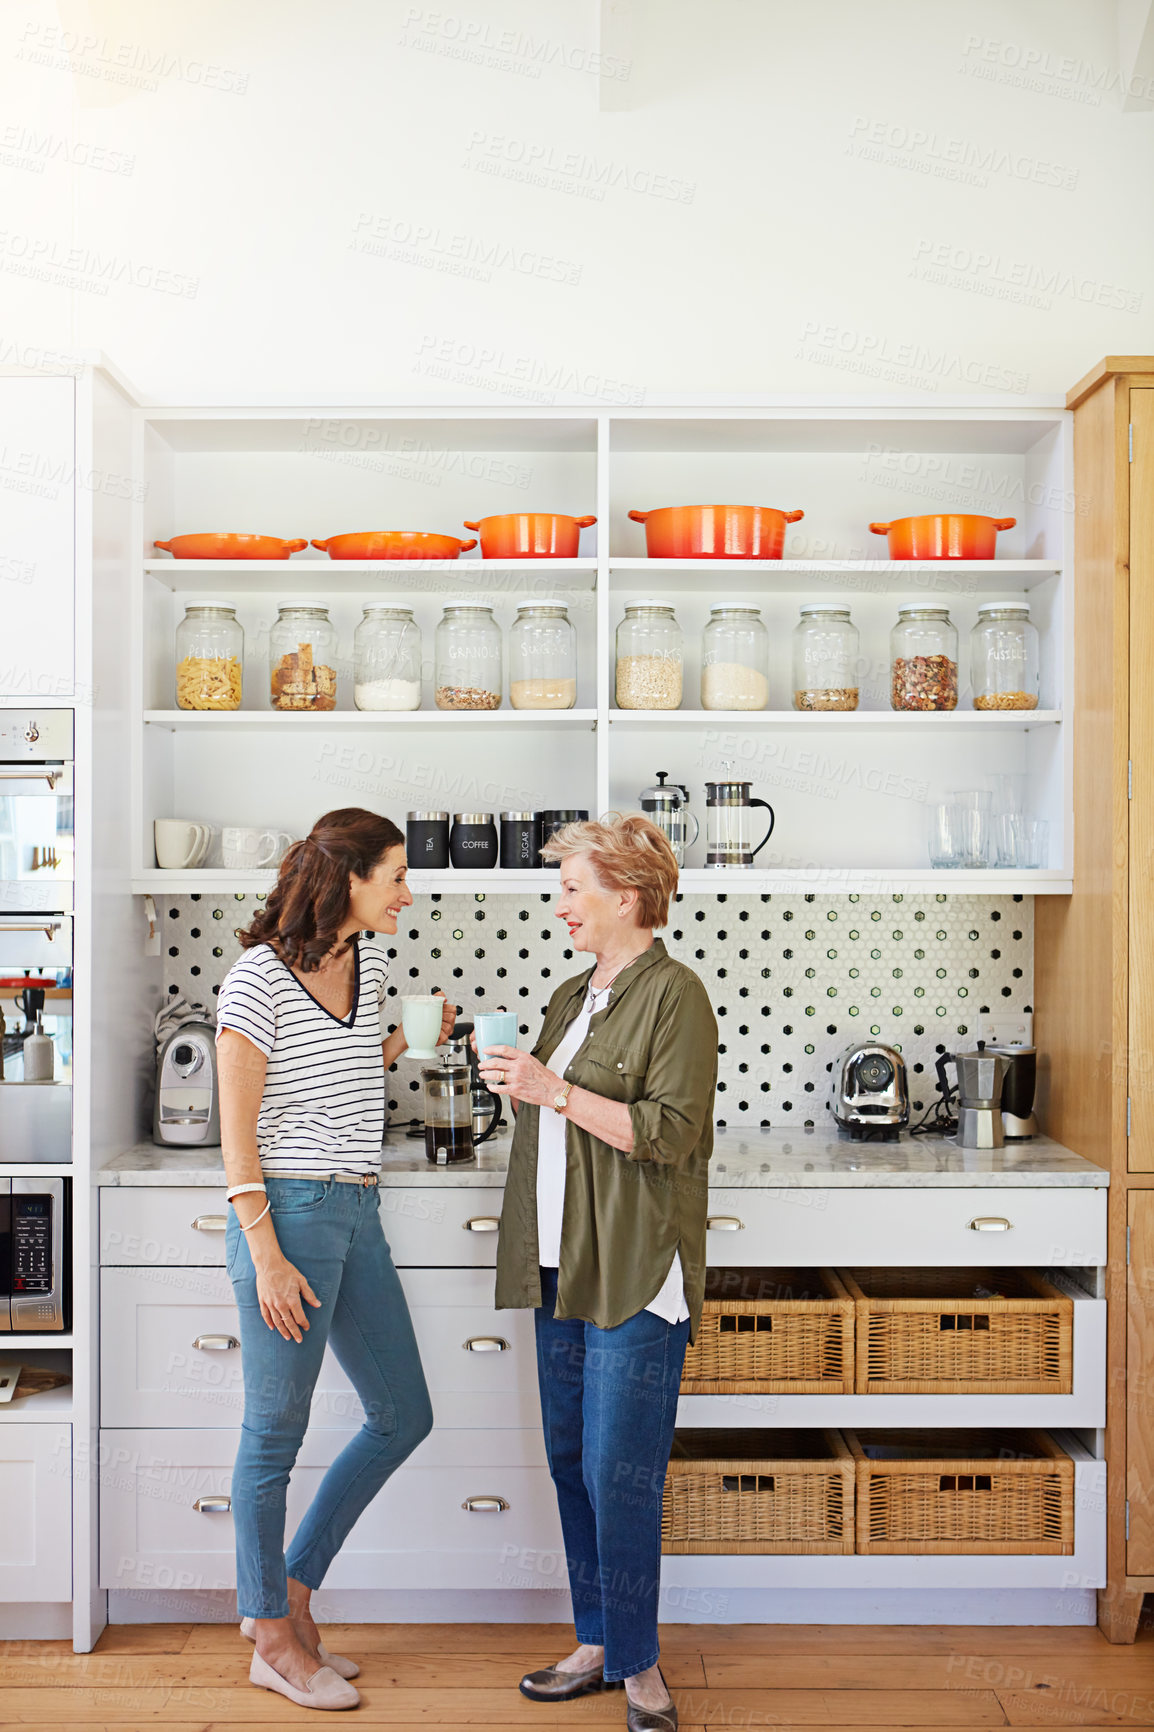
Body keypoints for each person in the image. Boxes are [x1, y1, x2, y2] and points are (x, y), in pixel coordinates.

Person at [480, 814, 718, 1732]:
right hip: (560, 1264)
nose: (561, 903)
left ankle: (642, 1666)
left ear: (628, 896)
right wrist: (518, 1083)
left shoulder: (676, 996)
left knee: (623, 1469)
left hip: (634, 1268)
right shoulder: (575, 992)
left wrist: (553, 1090)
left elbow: (667, 1133)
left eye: (575, 887)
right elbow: (556, 1117)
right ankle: (596, 1641)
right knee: (572, 1459)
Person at [216, 807, 453, 1712]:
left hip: (359, 1209)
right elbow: (237, 1142)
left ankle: (296, 1594)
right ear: (348, 878)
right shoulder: (256, 982)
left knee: (403, 1414)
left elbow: (351, 1070)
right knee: (274, 1432)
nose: (407, 892)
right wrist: (267, 1257)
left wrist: (416, 1042)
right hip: (292, 1215)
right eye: (395, 875)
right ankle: (269, 1633)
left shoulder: (375, 962)